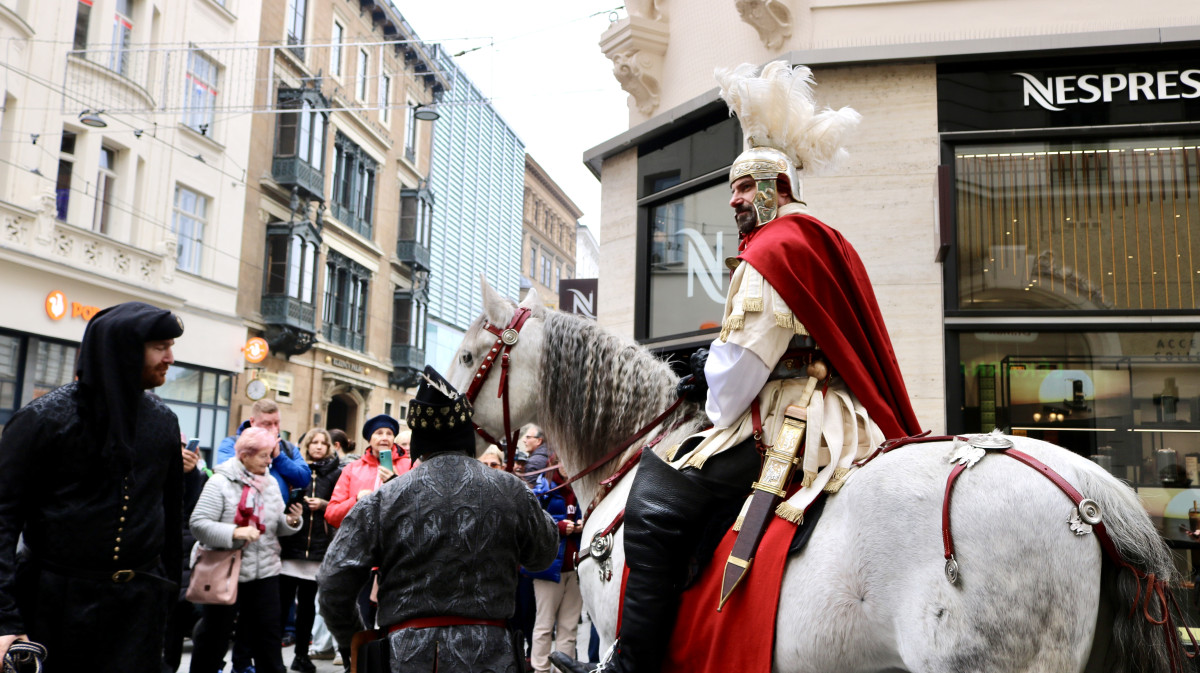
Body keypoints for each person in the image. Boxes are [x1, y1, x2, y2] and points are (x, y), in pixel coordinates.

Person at [551, 62, 921, 673]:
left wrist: (708, 376)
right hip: (837, 410)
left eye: (747, 188)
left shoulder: (771, 249)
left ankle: (631, 662)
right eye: (732, 190)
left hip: (790, 419)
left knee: (656, 494)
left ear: (779, 184)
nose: (735, 201)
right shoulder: (823, 237)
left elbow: (741, 374)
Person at [319, 366, 559, 673]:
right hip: (491, 657)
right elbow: (542, 555)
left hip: (404, 657)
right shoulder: (510, 489)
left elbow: (332, 583)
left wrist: (353, 641)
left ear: (418, 439)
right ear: (466, 433)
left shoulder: (383, 499)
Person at [0, 301, 185, 672]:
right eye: (160, 346)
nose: (170, 358)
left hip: (138, 609)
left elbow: (170, 516)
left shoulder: (164, 420)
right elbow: (2, 519)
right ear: (124, 350)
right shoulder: (43, 419)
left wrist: (166, 598)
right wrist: (5, 618)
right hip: (53, 606)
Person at [189, 427, 304, 673]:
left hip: (265, 572)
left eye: (270, 455)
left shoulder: (271, 482)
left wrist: (292, 522)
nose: (270, 461)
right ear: (245, 455)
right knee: (214, 638)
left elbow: (274, 527)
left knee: (268, 639)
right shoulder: (219, 482)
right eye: (263, 455)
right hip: (225, 571)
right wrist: (234, 532)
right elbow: (198, 524)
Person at [279, 428, 343, 673]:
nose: (318, 446)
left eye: (322, 443)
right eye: (313, 442)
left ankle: (301, 655)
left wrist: (325, 505)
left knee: (307, 608)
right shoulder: (296, 471)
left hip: (317, 550)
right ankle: (274, 655)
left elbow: (339, 504)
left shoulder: (336, 473)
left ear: (329, 446)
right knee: (282, 606)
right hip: (291, 548)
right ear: (305, 446)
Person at [527, 459, 584, 673]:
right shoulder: (543, 488)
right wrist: (559, 525)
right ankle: (540, 669)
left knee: (569, 627)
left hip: (575, 566)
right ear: (553, 462)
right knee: (544, 625)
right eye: (562, 459)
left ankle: (564, 669)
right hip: (548, 568)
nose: (568, 463)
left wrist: (582, 522)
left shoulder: (580, 486)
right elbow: (533, 522)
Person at [164, 432, 210, 672]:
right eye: (177, 446)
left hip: (190, 564)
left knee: (193, 624)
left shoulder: (199, 478)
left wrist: (191, 474)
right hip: (163, 562)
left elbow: (195, 509)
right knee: (166, 629)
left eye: (186, 447)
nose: (182, 452)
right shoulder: (155, 471)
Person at [217, 399, 312, 503]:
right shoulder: (231, 443)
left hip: (277, 513)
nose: (274, 428)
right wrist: (259, 449)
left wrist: (279, 457)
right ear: (252, 422)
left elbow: (304, 479)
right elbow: (229, 472)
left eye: (277, 423)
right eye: (267, 424)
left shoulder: (288, 448)